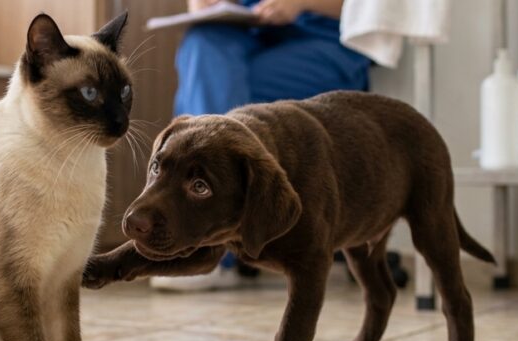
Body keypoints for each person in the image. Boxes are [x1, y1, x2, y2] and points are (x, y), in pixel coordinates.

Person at [151, 0, 372, 291]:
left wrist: (301, 3)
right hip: (249, 32)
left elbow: (376, 7)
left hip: (324, 37)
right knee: (202, 44)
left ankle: (209, 253)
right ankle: (204, 243)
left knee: (216, 81)